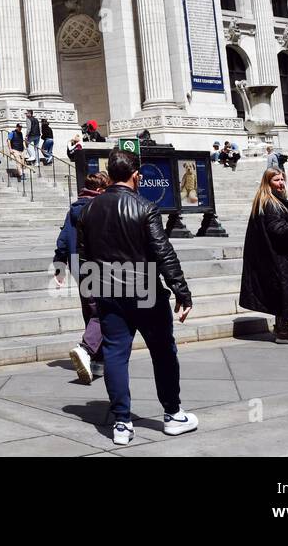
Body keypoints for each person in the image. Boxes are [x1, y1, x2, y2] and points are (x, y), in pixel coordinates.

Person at [75, 148, 196, 446]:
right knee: (163, 351)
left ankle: (121, 422)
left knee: (116, 354)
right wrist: (181, 289)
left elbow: (84, 256)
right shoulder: (144, 207)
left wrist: (93, 292)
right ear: (135, 175)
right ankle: (172, 414)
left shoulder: (88, 209)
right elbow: (162, 251)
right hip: (143, 289)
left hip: (108, 290)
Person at [239, 167, 288, 345]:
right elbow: (279, 230)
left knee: (283, 293)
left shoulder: (270, 201)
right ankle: (282, 332)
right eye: (276, 180)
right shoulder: (271, 204)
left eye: (282, 180)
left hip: (277, 256)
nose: (281, 183)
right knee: (284, 291)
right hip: (279, 258)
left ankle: (284, 328)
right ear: (267, 183)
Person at [54, 171, 110, 385]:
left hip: (78, 267)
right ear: (99, 190)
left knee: (90, 310)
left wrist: (59, 267)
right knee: (102, 311)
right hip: (97, 266)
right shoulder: (99, 208)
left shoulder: (74, 209)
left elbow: (62, 240)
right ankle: (85, 349)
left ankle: (97, 364)